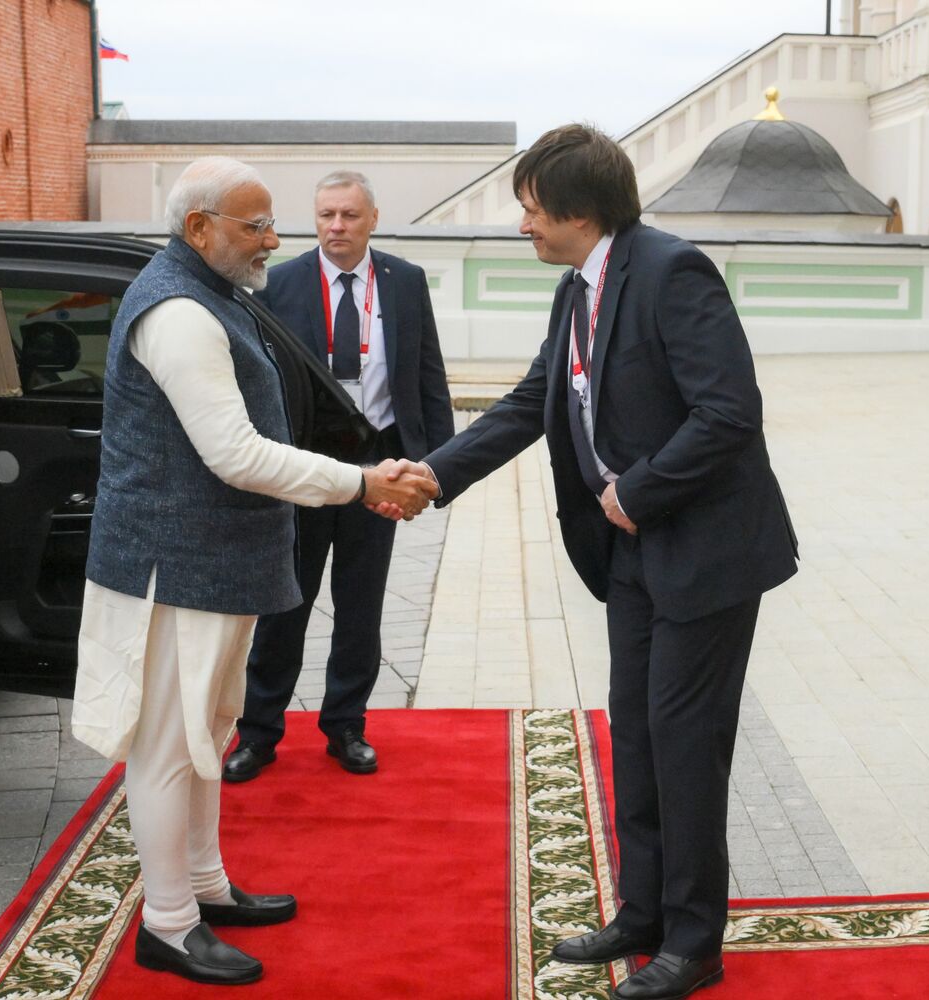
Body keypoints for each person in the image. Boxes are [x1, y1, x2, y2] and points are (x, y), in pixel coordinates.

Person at [386, 124, 798, 1000]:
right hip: (631, 558)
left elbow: (728, 412)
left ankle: (694, 942)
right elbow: (538, 396)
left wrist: (637, 491)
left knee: (686, 747)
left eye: (531, 209)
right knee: (639, 735)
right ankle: (641, 914)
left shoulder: (669, 271)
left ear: (579, 211)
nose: (523, 226)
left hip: (703, 554)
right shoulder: (577, 286)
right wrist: (435, 473)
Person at [70, 156, 434, 987]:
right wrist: (361, 481)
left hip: (215, 564)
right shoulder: (178, 312)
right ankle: (167, 923)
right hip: (176, 566)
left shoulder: (214, 294)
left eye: (272, 223)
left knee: (208, 736)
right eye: (255, 225)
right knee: (168, 745)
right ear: (198, 229)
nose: (274, 239)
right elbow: (233, 454)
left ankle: (203, 887)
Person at [223, 171, 455, 782]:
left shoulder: (403, 282)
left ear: (372, 218)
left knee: (361, 608)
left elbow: (427, 372)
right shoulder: (282, 282)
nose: (336, 227)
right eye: (326, 215)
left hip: (379, 466)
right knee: (284, 606)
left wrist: (439, 466)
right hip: (302, 469)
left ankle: (346, 726)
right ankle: (259, 733)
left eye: (349, 216)